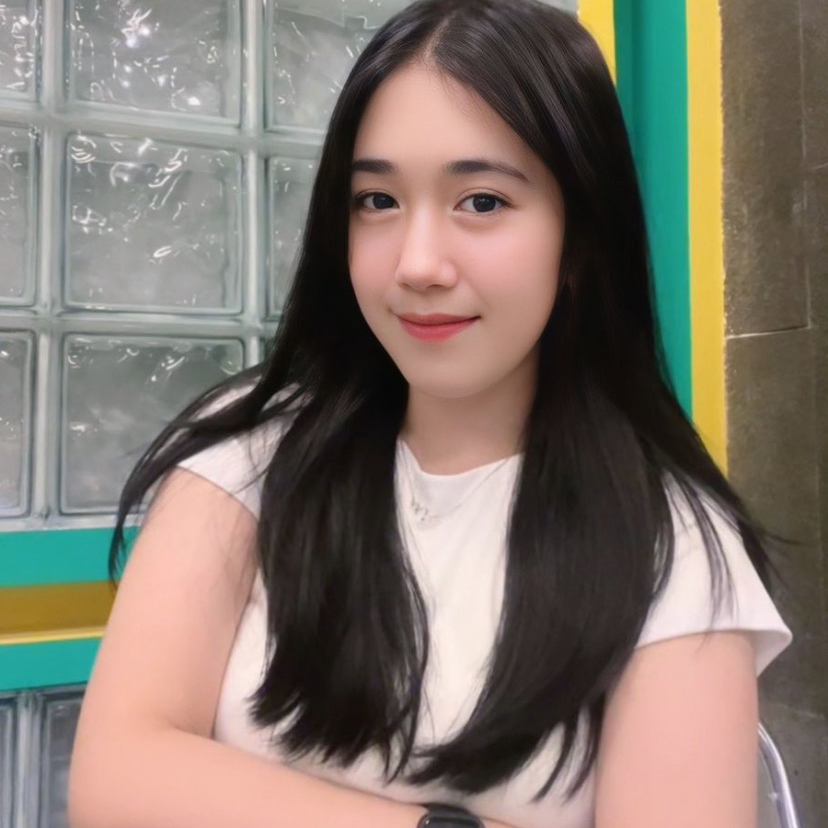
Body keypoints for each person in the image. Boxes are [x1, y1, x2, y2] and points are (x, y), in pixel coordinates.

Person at [67, 1, 792, 827]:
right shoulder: (254, 449)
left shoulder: (675, 546)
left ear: (581, 238)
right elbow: (114, 783)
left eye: (480, 202)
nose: (416, 264)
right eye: (377, 200)